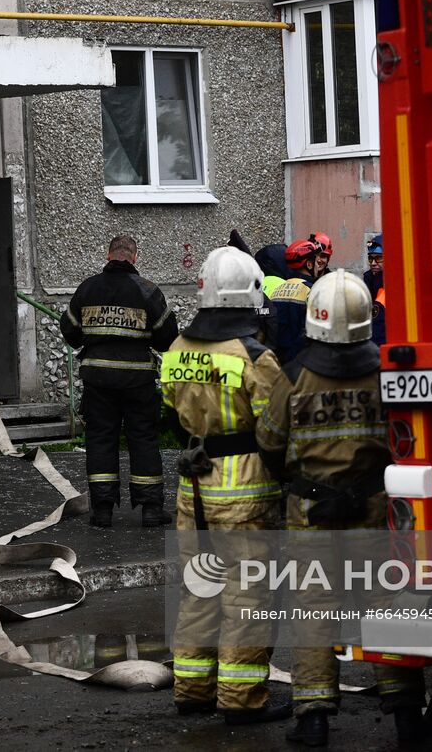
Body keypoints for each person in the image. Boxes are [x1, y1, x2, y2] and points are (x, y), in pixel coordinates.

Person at [256, 270, 426, 746]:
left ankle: (313, 720)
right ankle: (408, 714)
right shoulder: (385, 372)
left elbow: (269, 441)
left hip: (311, 515)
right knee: (387, 608)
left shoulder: (293, 377)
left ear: (314, 319)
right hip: (375, 511)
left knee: (313, 611)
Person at [162, 246, 291, 725]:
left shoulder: (177, 349)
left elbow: (171, 413)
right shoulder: (254, 356)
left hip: (191, 489)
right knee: (247, 597)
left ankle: (192, 690)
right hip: (246, 492)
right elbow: (276, 429)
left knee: (199, 589)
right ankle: (241, 700)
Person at [59, 234, 178, 528]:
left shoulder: (88, 288)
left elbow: (70, 332)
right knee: (143, 439)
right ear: (134, 258)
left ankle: (102, 511)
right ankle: (151, 509)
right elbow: (167, 338)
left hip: (98, 379)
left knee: (100, 440)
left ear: (108, 255)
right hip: (138, 380)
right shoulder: (148, 291)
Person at [269, 233, 332, 366]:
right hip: (302, 363)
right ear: (309, 264)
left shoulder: (277, 290)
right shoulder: (312, 291)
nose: (318, 264)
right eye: (315, 261)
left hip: (279, 363)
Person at [364, 233, 386, 347]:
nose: (373, 263)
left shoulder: (387, 289)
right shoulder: (367, 283)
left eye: (378, 258)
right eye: (370, 258)